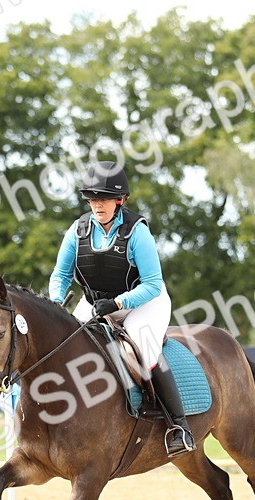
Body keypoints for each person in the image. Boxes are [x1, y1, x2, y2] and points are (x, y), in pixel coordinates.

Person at [48, 161, 196, 456]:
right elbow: (61, 276)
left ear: (120, 200)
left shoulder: (137, 232)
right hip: (95, 304)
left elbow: (153, 284)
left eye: (103, 198)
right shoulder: (76, 231)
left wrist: (118, 303)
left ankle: (179, 427)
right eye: (92, 198)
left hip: (143, 303)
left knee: (143, 349)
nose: (97, 204)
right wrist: (55, 302)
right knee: (63, 345)